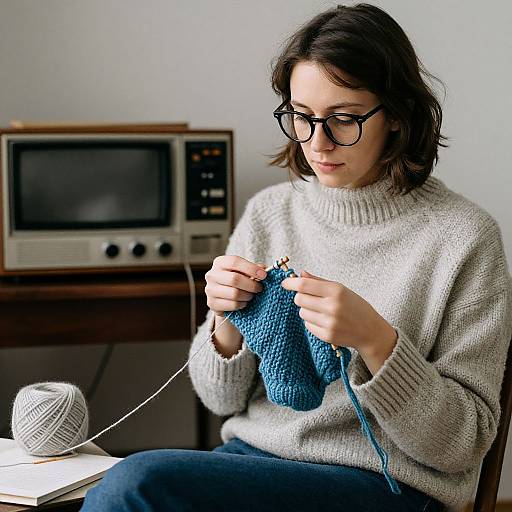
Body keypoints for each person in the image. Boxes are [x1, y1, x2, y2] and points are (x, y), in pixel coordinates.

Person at [81, 3, 512, 511]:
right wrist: (225, 322)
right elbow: (220, 401)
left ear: (397, 115)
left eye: (344, 119)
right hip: (252, 461)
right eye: (301, 117)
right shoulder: (270, 212)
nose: (317, 142)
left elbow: (464, 446)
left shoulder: (463, 237)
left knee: (137, 482)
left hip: (386, 486)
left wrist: (377, 341)